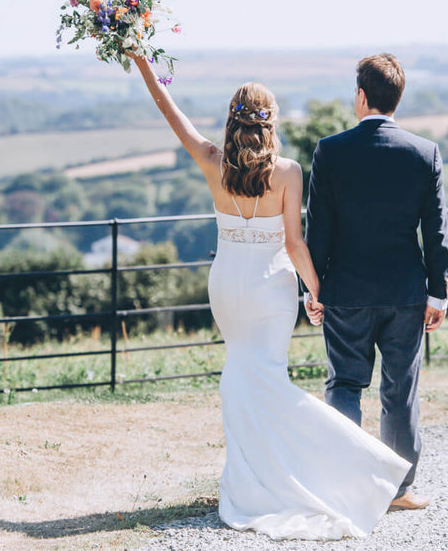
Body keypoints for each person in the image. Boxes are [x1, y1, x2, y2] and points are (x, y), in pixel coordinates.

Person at [128, 54, 411, 540]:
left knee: (239, 376)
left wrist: (142, 64)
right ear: (270, 124)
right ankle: (349, 465)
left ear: (232, 121)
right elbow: (295, 244)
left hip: (227, 285)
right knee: (267, 379)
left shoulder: (211, 162)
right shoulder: (288, 172)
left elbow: (170, 111)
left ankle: (252, 476)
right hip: (270, 287)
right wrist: (316, 291)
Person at [304, 53, 448, 511]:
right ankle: (400, 490)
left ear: (362, 96)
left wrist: (312, 290)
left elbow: (317, 232)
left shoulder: (330, 150)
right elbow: (437, 230)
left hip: (345, 292)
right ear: (397, 99)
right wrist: (438, 292)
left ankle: (344, 486)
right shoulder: (424, 152)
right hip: (406, 294)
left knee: (345, 386)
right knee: (399, 391)